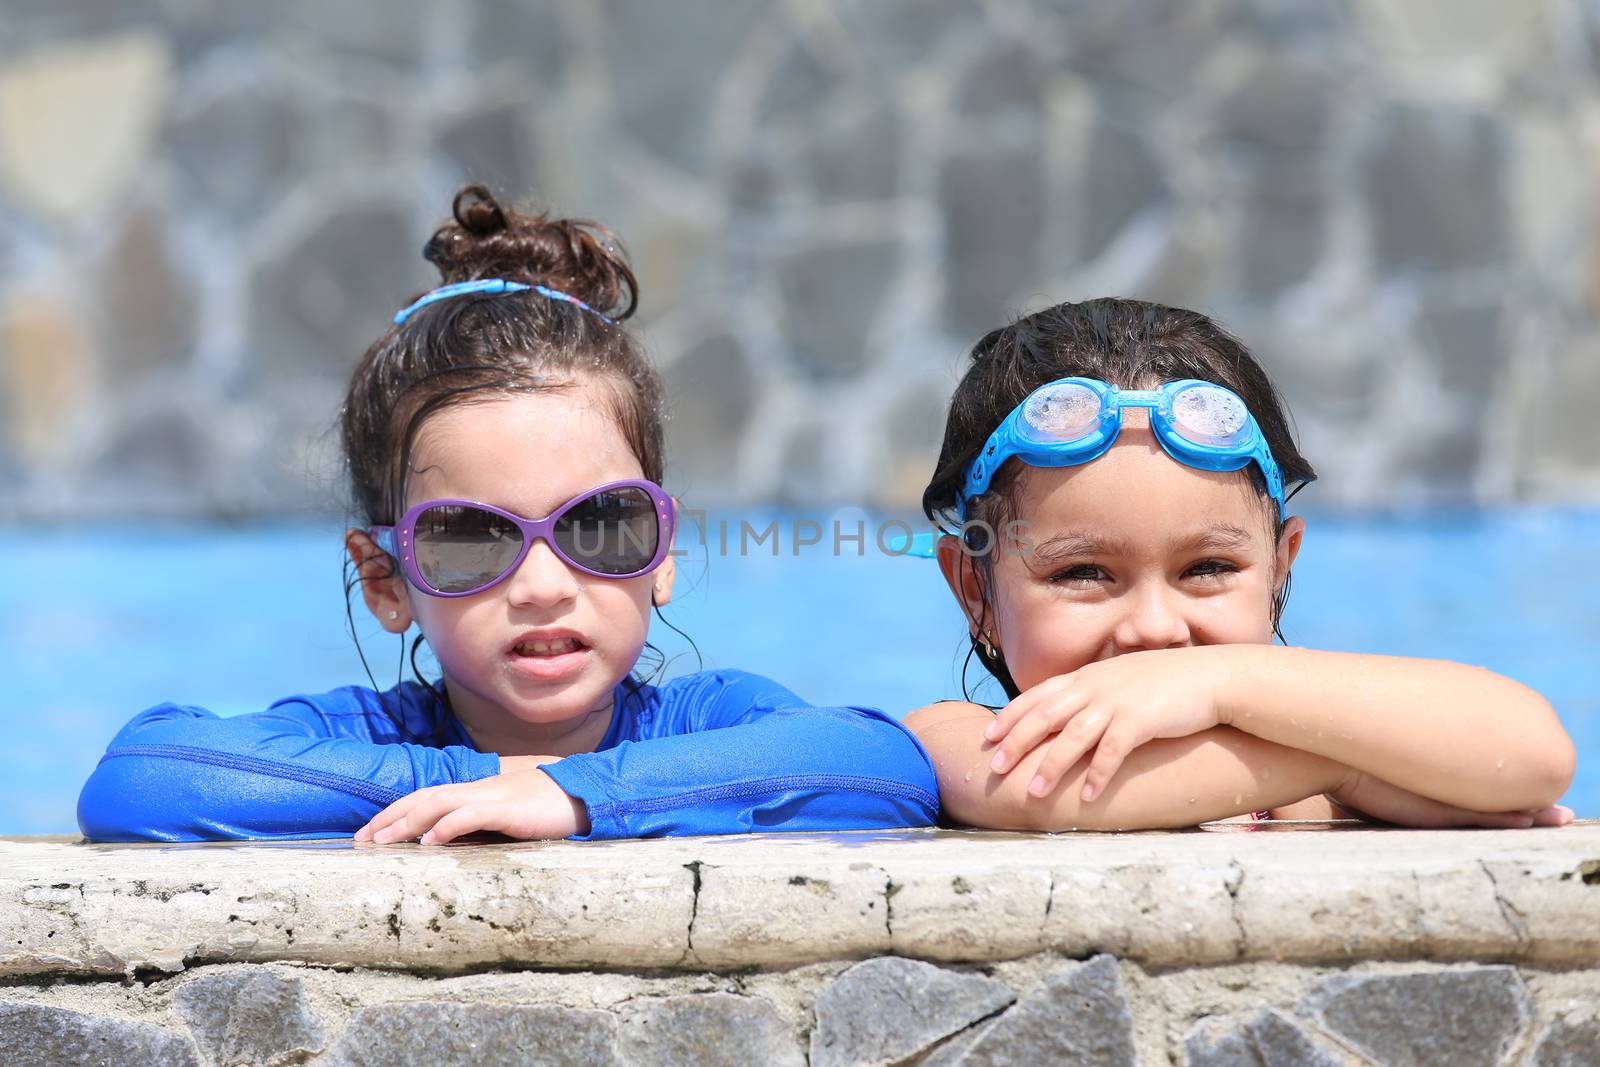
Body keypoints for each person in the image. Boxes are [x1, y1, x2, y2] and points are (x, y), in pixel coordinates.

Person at [78, 185, 937, 844]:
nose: (541, 584)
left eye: (601, 524)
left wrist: (575, 792)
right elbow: (146, 775)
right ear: (384, 578)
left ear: (664, 549)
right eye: (468, 537)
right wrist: (481, 777)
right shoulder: (366, 734)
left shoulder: (707, 721)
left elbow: (882, 765)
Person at [903, 297, 1577, 830]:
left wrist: (1220, 683)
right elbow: (1044, 795)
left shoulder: (1304, 755)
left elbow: (1534, 753)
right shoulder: (952, 740)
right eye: (1082, 572)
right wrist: (1350, 771)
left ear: (1279, 565)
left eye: (1206, 568)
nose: (1156, 630)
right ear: (975, 588)